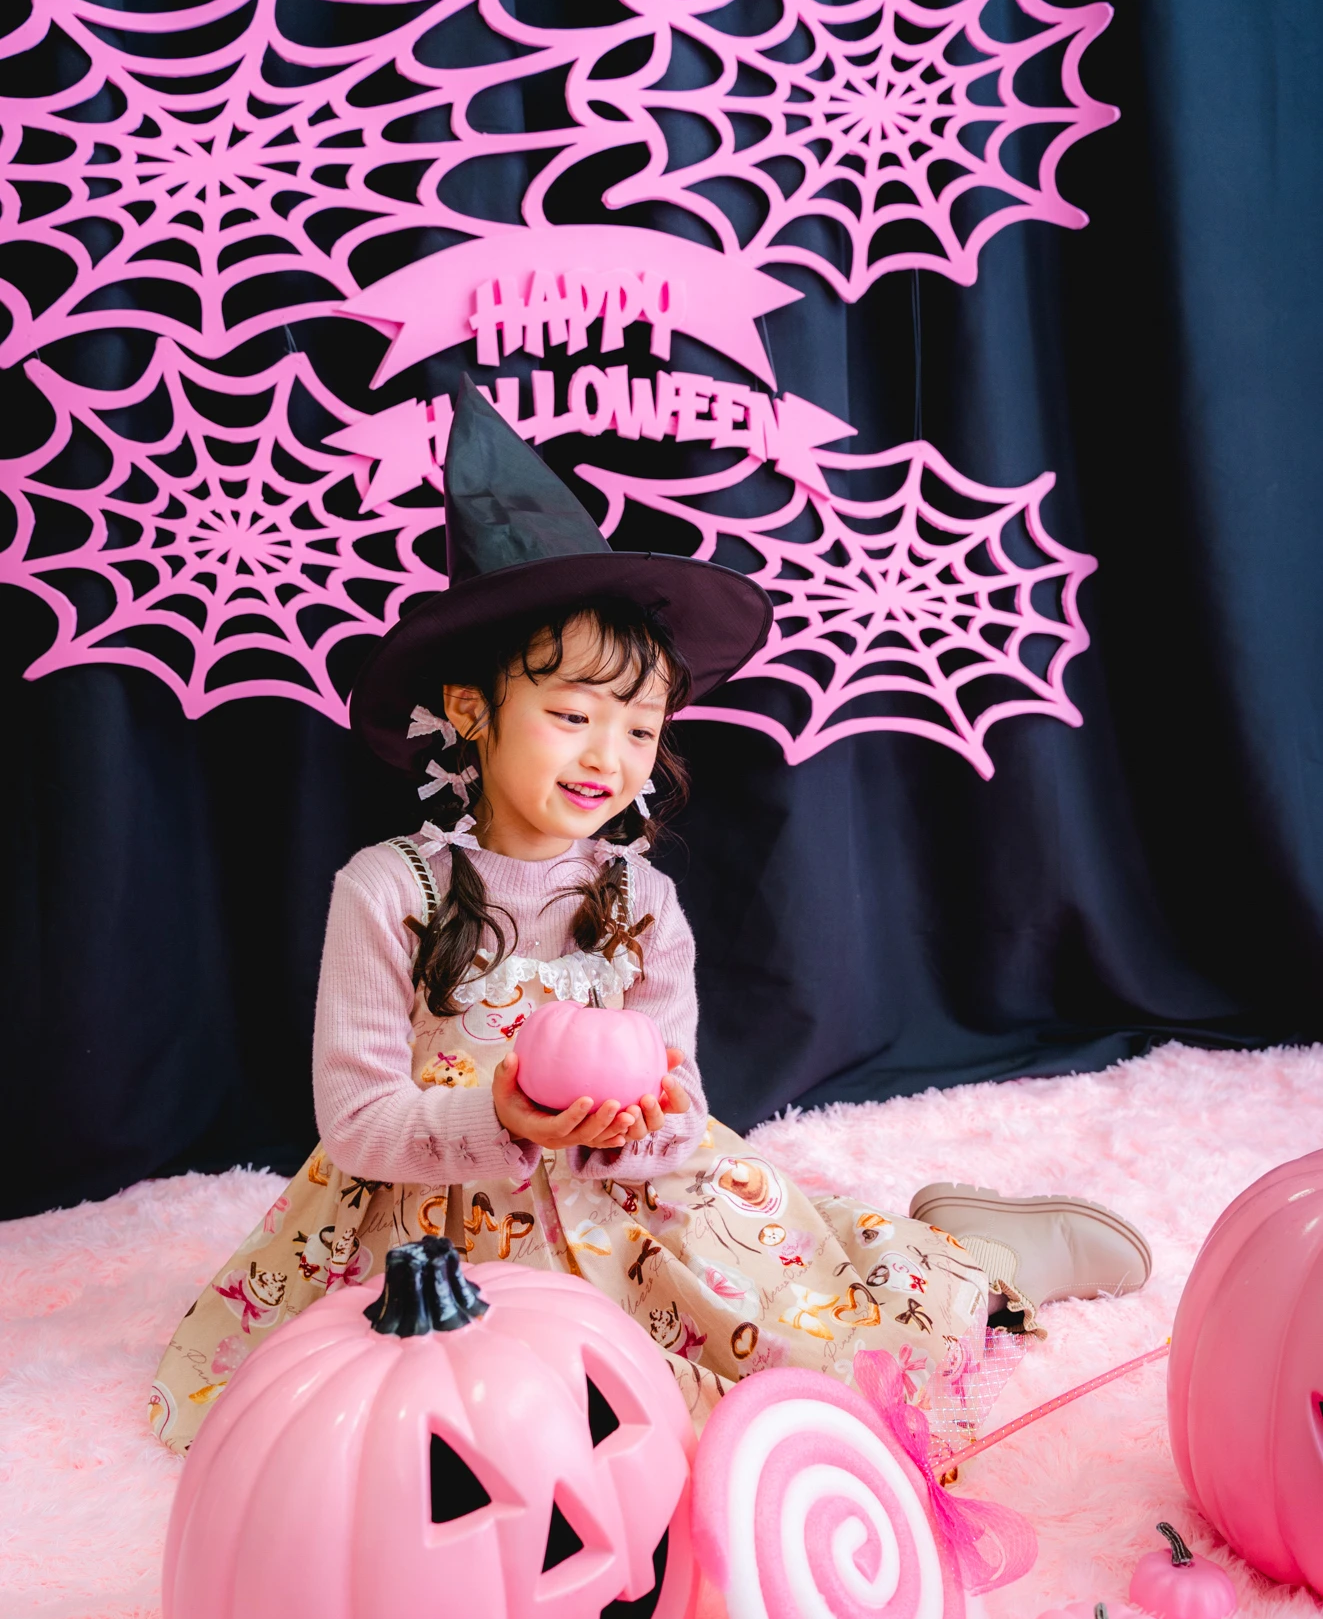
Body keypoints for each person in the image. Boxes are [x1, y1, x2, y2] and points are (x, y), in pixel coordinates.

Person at [149, 382, 1150, 1455]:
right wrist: (502, 1120)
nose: (607, 756)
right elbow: (355, 1119)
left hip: (620, 1205)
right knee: (441, 1433)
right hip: (434, 1227)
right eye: (571, 714)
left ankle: (972, 1256)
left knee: (809, 1354)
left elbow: (683, 1102)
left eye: (638, 727)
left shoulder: (639, 904)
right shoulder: (389, 890)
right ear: (472, 710)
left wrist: (636, 1126)